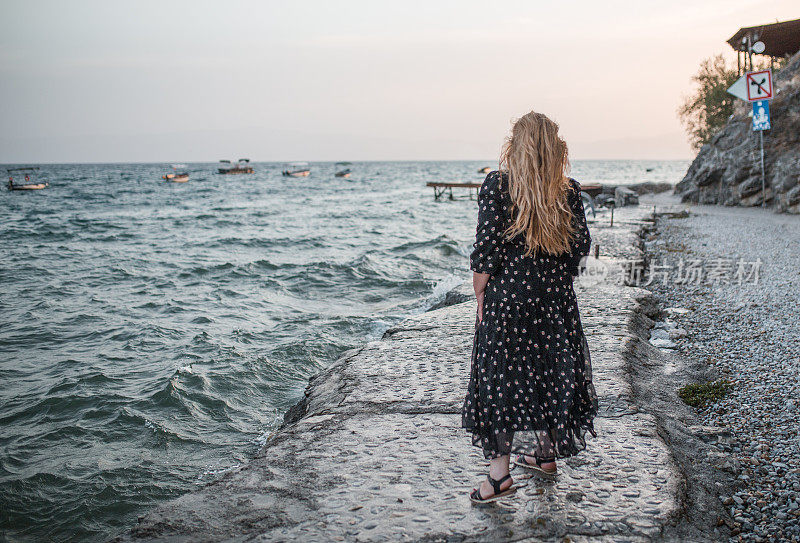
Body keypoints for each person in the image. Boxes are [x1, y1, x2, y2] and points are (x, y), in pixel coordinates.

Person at [462, 111, 596, 503]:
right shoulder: (567, 190)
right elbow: (580, 247)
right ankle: (544, 454)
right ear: (556, 149)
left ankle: (499, 477)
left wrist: (480, 293)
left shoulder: (499, 184)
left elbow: (487, 249)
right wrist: (557, 280)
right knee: (550, 370)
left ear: (515, 147)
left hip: (510, 300)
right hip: (554, 299)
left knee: (502, 378)